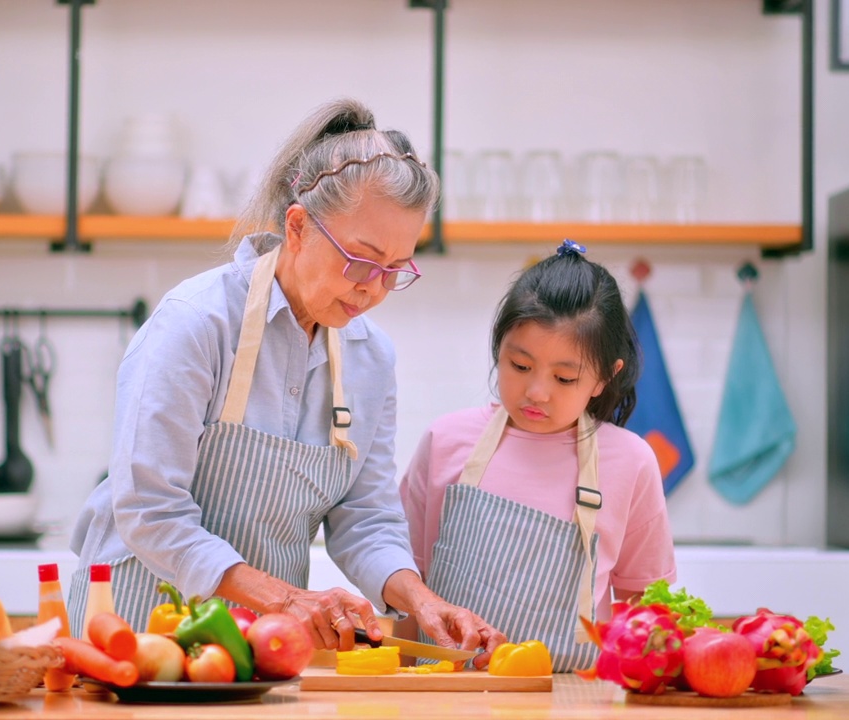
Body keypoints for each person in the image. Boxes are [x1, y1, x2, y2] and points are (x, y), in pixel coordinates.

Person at [68, 98, 505, 662]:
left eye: (395, 270)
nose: (373, 289)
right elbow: (148, 510)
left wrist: (419, 599)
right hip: (135, 636)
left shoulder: (371, 359)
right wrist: (287, 598)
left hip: (262, 652)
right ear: (297, 227)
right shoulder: (196, 323)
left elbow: (364, 517)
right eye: (361, 261)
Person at [399, 239, 676, 672]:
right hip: (449, 694)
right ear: (498, 349)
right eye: (520, 366)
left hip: (573, 698)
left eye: (565, 378)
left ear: (605, 377)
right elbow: (405, 588)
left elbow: (647, 604)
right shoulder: (446, 440)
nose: (537, 392)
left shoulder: (630, 461)